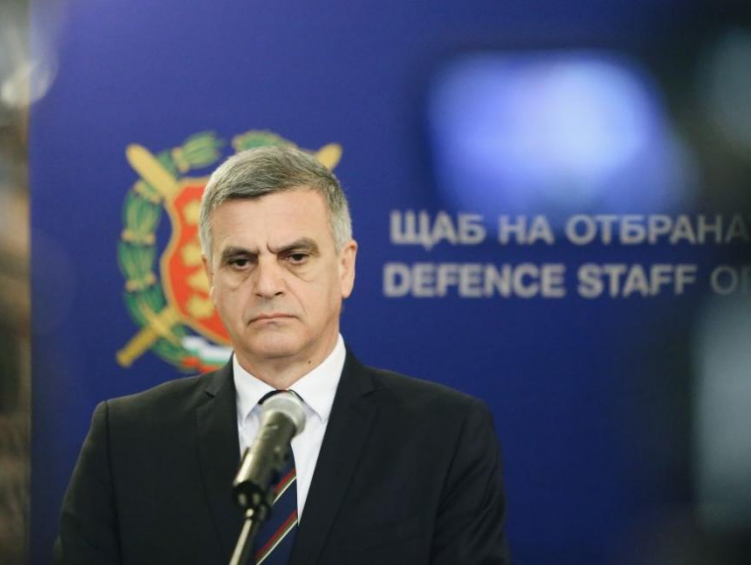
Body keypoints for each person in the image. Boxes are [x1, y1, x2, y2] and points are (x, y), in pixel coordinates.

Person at [54, 146, 510, 564]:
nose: (267, 285)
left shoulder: (445, 435)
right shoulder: (126, 439)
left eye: (295, 257)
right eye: (240, 261)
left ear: (345, 267)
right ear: (210, 278)